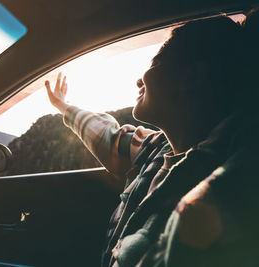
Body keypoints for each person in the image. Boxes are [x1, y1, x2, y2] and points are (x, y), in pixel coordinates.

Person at [45, 12, 259, 267]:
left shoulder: (230, 180)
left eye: (155, 63)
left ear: (190, 77)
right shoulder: (154, 150)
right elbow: (106, 135)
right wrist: (64, 107)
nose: (140, 78)